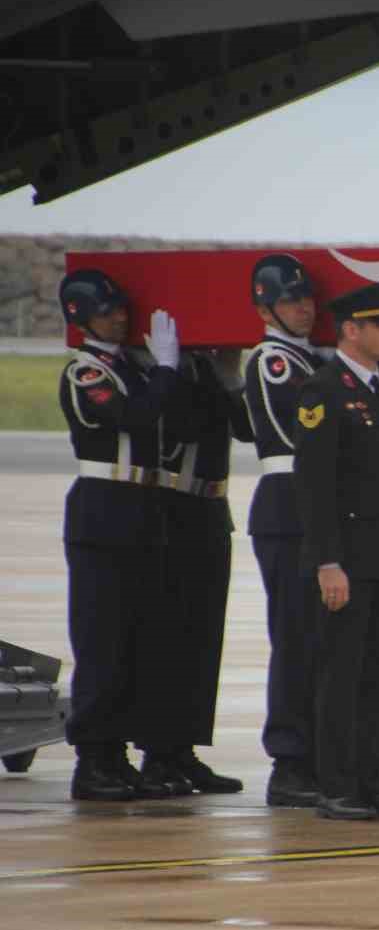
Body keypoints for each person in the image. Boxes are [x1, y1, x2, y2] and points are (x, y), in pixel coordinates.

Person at [293, 279, 379, 821]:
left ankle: (374, 780)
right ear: (351, 329)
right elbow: (316, 485)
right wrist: (327, 561)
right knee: (343, 676)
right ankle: (338, 784)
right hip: (349, 561)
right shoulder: (324, 388)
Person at [56, 269, 185, 800]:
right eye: (106, 311)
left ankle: (118, 755)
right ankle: (93, 760)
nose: (119, 316)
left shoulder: (125, 366)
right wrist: (167, 371)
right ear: (80, 317)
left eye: (119, 308)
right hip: (104, 512)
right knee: (102, 640)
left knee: (134, 641)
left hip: (136, 509)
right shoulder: (85, 372)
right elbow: (136, 416)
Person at [138, 346, 251, 795]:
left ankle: (183, 749)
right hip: (174, 507)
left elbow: (246, 430)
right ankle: (157, 753)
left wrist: (230, 379)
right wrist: (175, 368)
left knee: (203, 638)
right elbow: (175, 428)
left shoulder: (209, 366)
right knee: (170, 636)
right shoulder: (157, 366)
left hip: (209, 507)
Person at [242, 254, 326, 808]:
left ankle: (316, 752)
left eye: (307, 298)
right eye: (292, 300)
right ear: (267, 307)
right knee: (295, 639)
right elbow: (301, 432)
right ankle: (290, 762)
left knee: (319, 641)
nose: (304, 308)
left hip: (311, 508)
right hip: (288, 506)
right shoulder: (274, 361)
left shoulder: (308, 358)